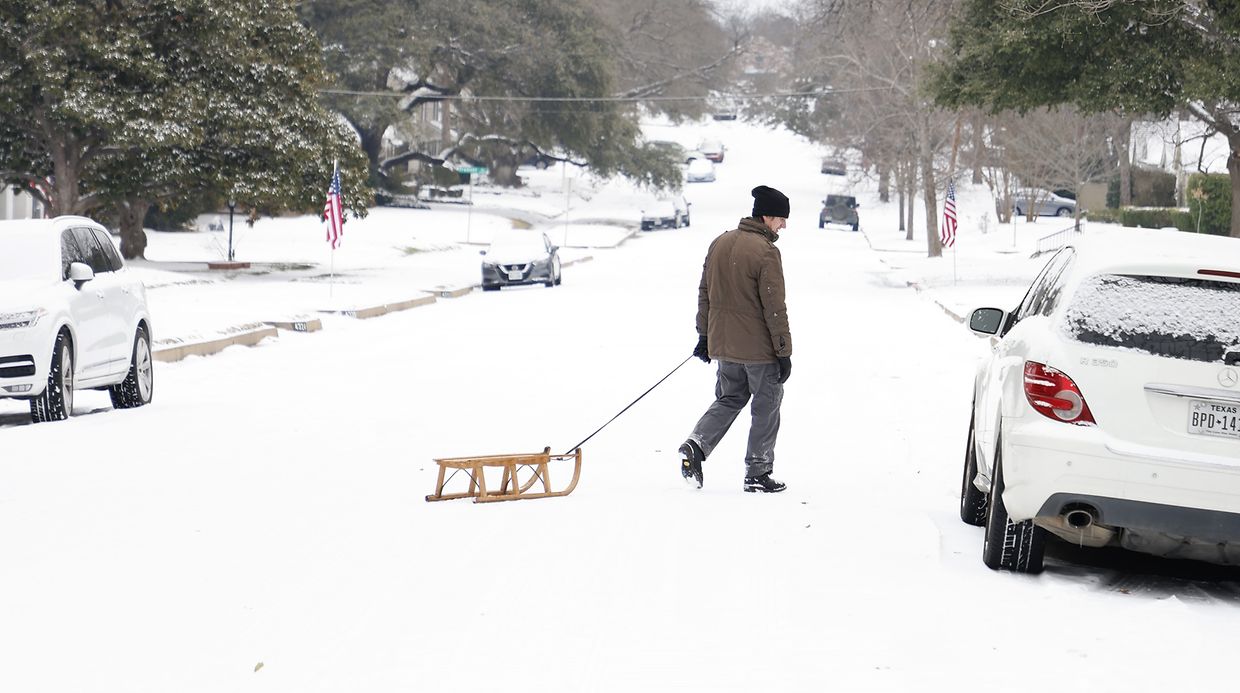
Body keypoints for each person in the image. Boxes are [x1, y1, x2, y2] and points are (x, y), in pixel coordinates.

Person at [680, 185, 792, 493]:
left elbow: (705, 293)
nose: (783, 225)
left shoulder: (720, 242)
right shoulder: (766, 252)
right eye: (781, 219)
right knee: (767, 404)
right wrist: (783, 352)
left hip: (724, 346)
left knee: (729, 398)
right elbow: (774, 307)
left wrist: (704, 336)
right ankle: (757, 471)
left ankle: (696, 446)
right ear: (767, 216)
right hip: (759, 350)